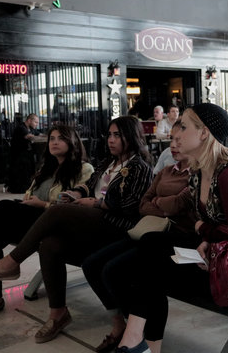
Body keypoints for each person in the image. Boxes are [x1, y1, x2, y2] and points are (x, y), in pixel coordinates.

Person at [0, 116, 154, 344]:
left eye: (118, 135)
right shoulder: (108, 162)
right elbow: (89, 185)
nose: (111, 140)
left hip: (114, 227)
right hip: (92, 223)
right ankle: (58, 313)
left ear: (132, 137)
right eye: (109, 135)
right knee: (50, 244)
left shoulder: (140, 167)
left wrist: (97, 203)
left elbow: (131, 206)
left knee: (57, 211)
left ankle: (11, 262)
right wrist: (77, 193)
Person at [110, 103, 228, 353]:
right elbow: (213, 225)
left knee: (152, 264)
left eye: (184, 127)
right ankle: (139, 341)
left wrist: (204, 231)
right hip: (217, 252)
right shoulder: (200, 171)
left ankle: (139, 343)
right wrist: (205, 233)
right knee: (151, 245)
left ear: (204, 133)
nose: (176, 134)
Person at [0, 125, 93, 322]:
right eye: (51, 138)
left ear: (72, 142)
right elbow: (29, 194)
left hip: (57, 226)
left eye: (60, 138)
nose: (54, 142)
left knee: (3, 205)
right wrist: (29, 201)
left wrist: (42, 204)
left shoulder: (84, 169)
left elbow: (75, 207)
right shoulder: (46, 169)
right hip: (33, 221)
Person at [82, 121, 192, 352]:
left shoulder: (195, 176)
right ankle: (128, 324)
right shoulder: (166, 171)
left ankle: (145, 338)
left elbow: (182, 206)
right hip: (149, 231)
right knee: (93, 265)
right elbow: (144, 205)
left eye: (178, 141)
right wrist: (165, 206)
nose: (172, 146)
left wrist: (160, 204)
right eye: (171, 140)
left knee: (127, 271)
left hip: (175, 239)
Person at [7, 113, 41, 192]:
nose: (37, 124)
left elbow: (38, 134)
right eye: (35, 122)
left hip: (27, 154)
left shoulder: (31, 128)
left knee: (32, 167)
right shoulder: (21, 128)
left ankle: (29, 187)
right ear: (29, 120)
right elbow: (29, 136)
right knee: (24, 171)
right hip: (18, 156)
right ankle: (20, 188)